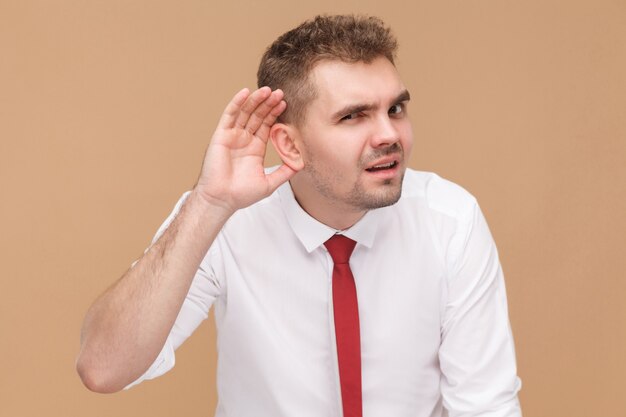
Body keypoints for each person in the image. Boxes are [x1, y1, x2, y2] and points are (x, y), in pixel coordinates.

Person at [77, 15, 522, 417]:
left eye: (395, 109)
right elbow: (103, 368)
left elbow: (486, 407)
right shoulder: (226, 220)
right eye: (353, 116)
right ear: (288, 145)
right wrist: (209, 205)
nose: (389, 135)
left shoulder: (450, 220)